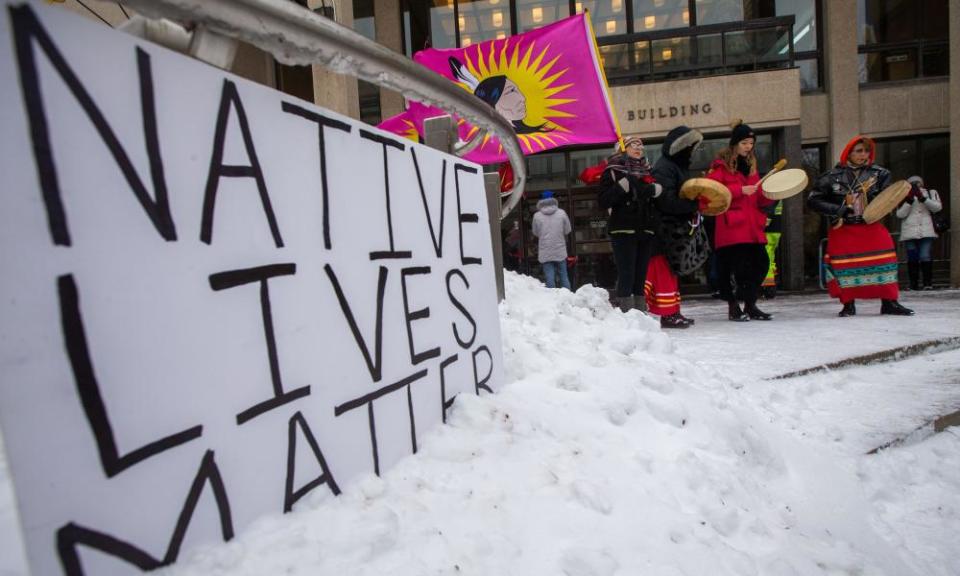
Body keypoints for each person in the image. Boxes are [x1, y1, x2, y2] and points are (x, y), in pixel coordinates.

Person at [808, 135, 914, 317]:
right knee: (845, 267)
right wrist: (840, 208)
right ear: (848, 152)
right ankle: (848, 304)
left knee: (884, 262)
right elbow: (813, 200)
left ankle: (889, 302)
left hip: (871, 226)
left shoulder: (880, 174)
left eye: (866, 151)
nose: (863, 155)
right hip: (844, 228)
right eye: (859, 151)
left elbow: (887, 199)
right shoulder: (831, 177)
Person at [705, 121, 775, 321]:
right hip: (732, 227)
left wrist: (770, 193)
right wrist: (739, 191)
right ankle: (734, 306)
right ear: (735, 143)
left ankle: (750, 304)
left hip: (752, 226)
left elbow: (758, 196)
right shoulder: (720, 167)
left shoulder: (752, 166)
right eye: (745, 142)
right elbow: (711, 193)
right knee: (734, 269)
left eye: (751, 143)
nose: (749, 146)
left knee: (761, 264)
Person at [649, 126, 705, 329]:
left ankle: (673, 311)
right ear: (681, 147)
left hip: (675, 229)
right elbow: (666, 201)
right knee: (664, 274)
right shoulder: (665, 167)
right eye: (690, 147)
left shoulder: (677, 166)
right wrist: (694, 205)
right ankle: (668, 314)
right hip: (666, 231)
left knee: (671, 273)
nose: (693, 151)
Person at [599, 136, 662, 312]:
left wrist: (656, 192)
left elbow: (652, 201)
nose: (638, 149)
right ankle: (627, 312)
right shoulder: (613, 171)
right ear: (623, 149)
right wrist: (621, 187)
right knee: (627, 272)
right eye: (633, 145)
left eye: (641, 146)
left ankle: (640, 312)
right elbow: (603, 200)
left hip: (645, 228)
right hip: (623, 228)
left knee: (641, 273)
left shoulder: (648, 171)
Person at [895, 175, 942, 290]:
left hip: (926, 230)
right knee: (912, 258)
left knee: (925, 256)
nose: (916, 185)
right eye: (913, 183)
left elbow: (937, 208)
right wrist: (909, 201)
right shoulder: (902, 196)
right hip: (909, 232)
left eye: (918, 183)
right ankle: (913, 284)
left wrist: (923, 199)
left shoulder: (931, 193)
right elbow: (900, 214)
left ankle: (927, 284)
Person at [532, 190, 572, 289]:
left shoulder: (537, 216)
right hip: (560, 250)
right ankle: (568, 298)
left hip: (545, 251)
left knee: (549, 278)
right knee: (564, 276)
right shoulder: (562, 213)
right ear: (554, 200)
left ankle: (553, 300)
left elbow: (535, 232)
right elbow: (568, 230)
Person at [760, 200, 783, 299]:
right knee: (770, 256)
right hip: (776, 227)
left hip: (768, 227)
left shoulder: (770, 189)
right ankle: (769, 285)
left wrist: (766, 219)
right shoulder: (778, 190)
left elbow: (769, 206)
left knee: (766, 256)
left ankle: (768, 287)